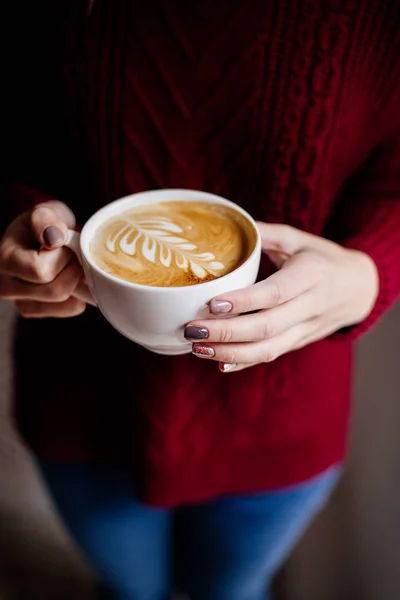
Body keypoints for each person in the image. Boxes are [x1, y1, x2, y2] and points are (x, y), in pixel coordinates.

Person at [1, 2, 400, 599]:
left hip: (282, 416)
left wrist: (369, 272)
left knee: (233, 591)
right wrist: (14, 220)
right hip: (82, 406)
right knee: (129, 591)